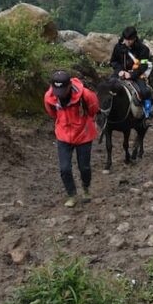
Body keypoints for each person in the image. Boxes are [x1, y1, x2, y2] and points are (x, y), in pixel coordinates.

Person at [44, 70, 100, 208]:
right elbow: (52, 113)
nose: (60, 94)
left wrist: (83, 123)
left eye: (62, 91)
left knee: (84, 167)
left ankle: (86, 187)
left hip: (84, 135)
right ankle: (72, 195)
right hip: (63, 135)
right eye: (57, 91)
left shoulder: (86, 95)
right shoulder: (49, 97)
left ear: (69, 86)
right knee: (64, 169)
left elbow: (93, 110)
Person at [110, 26, 153, 120]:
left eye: (130, 40)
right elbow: (113, 61)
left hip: (137, 74)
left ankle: (148, 111)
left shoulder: (143, 49)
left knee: (145, 92)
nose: (127, 42)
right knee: (107, 86)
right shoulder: (118, 47)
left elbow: (143, 66)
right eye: (126, 39)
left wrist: (131, 75)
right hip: (120, 72)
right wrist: (120, 70)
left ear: (134, 38)